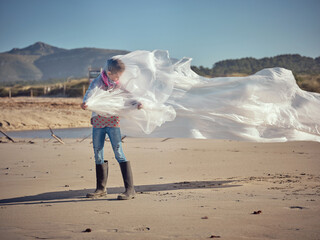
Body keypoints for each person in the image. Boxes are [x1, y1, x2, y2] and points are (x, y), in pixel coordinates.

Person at [81, 58, 142, 200]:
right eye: (116, 76)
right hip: (98, 121)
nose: (118, 78)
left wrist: (137, 103)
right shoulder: (98, 82)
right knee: (98, 153)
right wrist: (85, 102)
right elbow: (90, 92)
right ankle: (100, 189)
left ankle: (130, 189)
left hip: (113, 121)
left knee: (119, 153)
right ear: (108, 72)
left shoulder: (118, 85)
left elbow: (129, 95)